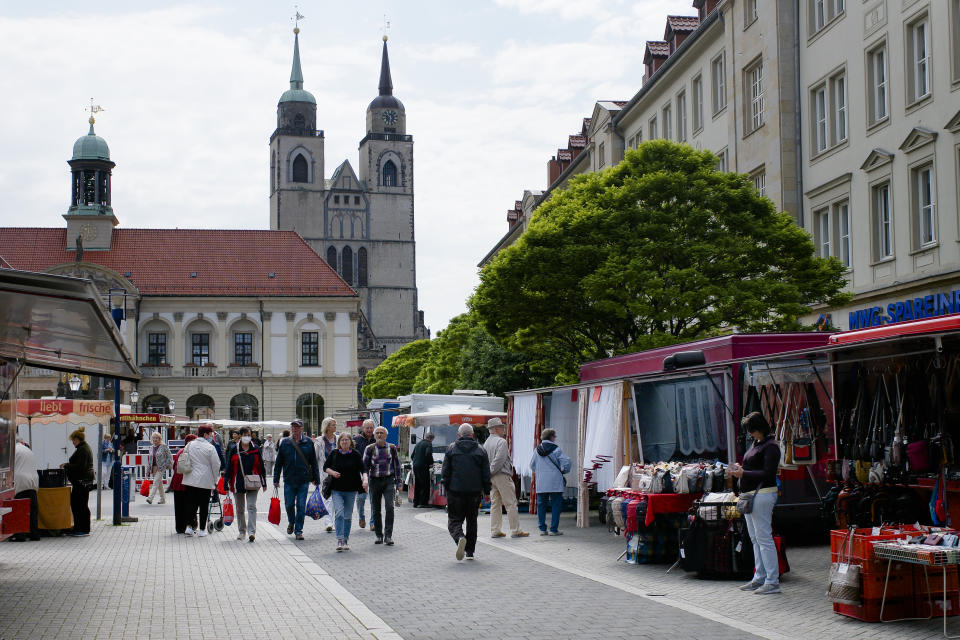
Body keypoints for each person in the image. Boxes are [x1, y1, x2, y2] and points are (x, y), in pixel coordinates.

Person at [729, 412, 782, 595]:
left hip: (762, 494)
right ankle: (760, 576)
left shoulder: (771, 447)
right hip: (752, 495)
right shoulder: (757, 444)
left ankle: (772, 580)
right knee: (755, 538)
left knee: (763, 537)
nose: (750, 434)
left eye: (751, 430)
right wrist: (741, 470)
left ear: (758, 429)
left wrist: (744, 474)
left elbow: (768, 474)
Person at [441, 423, 491, 561]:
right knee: (472, 521)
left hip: (455, 491)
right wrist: (487, 491)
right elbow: (486, 473)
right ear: (472, 434)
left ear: (459, 435)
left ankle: (460, 537)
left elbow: (445, 471)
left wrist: (445, 487)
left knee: (454, 520)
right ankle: (470, 551)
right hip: (474, 492)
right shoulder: (481, 450)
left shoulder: (451, 449)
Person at [273, 419, 320, 541]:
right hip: (289, 479)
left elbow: (313, 462)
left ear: (302, 428)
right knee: (289, 505)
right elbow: (278, 463)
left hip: (303, 479)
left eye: (297, 427)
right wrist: (276, 479)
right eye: (293, 427)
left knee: (300, 505)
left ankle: (298, 530)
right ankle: (291, 522)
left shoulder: (308, 442)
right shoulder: (285, 443)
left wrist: (316, 478)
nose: (294, 429)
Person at [483, 418, 529, 538]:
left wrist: (488, 473)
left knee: (495, 504)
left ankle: (495, 530)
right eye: (502, 428)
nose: (504, 430)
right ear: (496, 429)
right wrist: (492, 471)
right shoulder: (501, 442)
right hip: (502, 475)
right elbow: (500, 459)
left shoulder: (486, 443)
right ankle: (515, 530)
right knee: (511, 503)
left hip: (491, 477)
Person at [324, 432, 367, 551]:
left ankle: (346, 539)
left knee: (347, 516)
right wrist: (332, 473)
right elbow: (325, 467)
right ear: (339, 443)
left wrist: (365, 480)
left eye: (347, 440)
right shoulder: (334, 453)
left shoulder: (355, 454)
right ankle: (339, 539)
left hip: (351, 489)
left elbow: (363, 469)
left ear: (350, 442)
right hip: (336, 489)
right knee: (339, 513)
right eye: (342, 440)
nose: (344, 442)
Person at [225, 427, 266, 542]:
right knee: (240, 509)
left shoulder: (256, 448)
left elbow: (261, 466)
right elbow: (229, 467)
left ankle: (251, 532)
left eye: (249, 434)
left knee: (251, 506)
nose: (248, 436)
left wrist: (264, 483)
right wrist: (226, 481)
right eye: (246, 434)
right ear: (241, 435)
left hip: (253, 482)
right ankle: (241, 531)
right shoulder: (234, 449)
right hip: (237, 482)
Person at [362, 426, 401, 546]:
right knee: (376, 509)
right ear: (374, 436)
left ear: (386, 435)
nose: (379, 435)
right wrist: (365, 481)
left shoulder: (392, 448)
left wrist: (399, 483)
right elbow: (364, 467)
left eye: (382, 433)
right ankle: (379, 535)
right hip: (374, 481)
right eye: (377, 433)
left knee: (390, 507)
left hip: (388, 480)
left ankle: (388, 536)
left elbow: (397, 466)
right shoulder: (370, 448)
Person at [180, 425, 222, 537]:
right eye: (210, 434)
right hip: (205, 480)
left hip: (190, 479)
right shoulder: (210, 448)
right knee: (204, 505)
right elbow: (216, 464)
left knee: (191, 504)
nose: (211, 436)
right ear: (205, 434)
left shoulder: (190, 445)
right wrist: (215, 479)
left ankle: (189, 527)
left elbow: (185, 457)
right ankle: (202, 529)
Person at [529, 428, 572, 536]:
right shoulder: (556, 449)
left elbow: (532, 465)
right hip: (555, 481)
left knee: (541, 505)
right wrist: (564, 470)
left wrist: (540, 472)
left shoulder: (537, 450)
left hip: (541, 481)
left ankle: (542, 529)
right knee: (556, 504)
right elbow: (567, 461)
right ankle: (553, 529)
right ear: (552, 437)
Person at [60, 428, 95, 537]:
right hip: (84, 481)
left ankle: (81, 528)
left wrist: (66, 465)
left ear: (77, 439)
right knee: (81, 504)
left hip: (81, 482)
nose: (73, 442)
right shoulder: (84, 448)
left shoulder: (82, 449)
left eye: (73, 440)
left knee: (79, 505)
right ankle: (81, 527)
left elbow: (80, 467)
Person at [314, 417, 338, 533]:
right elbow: (315, 459)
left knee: (336, 499)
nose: (335, 427)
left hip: (338, 473)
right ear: (327, 427)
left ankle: (331, 521)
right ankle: (329, 522)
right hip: (324, 474)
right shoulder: (319, 441)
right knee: (328, 498)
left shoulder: (339, 439)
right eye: (333, 425)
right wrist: (314, 476)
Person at [12, 441, 40, 541]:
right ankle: (35, 534)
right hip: (33, 481)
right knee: (32, 510)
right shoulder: (28, 450)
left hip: (20, 481)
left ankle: (20, 535)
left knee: (19, 510)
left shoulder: (13, 450)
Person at [170, 434, 197, 534]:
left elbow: (174, 467)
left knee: (179, 506)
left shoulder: (180, 451)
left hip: (177, 482)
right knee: (190, 504)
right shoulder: (193, 452)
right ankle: (191, 525)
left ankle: (180, 528)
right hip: (188, 482)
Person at [353, 420, 376, 530]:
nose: (369, 430)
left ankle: (373, 522)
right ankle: (361, 516)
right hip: (360, 474)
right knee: (361, 498)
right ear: (363, 428)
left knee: (374, 498)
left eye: (371, 427)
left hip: (374, 473)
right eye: (367, 428)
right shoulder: (356, 440)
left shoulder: (376, 439)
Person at [145, 432, 172, 504]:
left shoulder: (163, 446)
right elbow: (149, 460)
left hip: (161, 467)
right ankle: (163, 499)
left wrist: (165, 465)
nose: (155, 439)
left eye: (156, 438)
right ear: (151, 439)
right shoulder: (151, 447)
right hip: (153, 467)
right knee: (159, 483)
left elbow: (169, 457)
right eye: (154, 438)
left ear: (159, 439)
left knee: (155, 482)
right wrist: (147, 471)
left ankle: (150, 498)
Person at [411, 432, 435, 508]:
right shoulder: (428, 444)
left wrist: (416, 461)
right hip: (423, 466)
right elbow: (428, 454)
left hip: (415, 466)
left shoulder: (418, 444)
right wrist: (430, 463)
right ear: (431, 439)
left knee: (417, 484)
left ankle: (416, 502)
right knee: (425, 484)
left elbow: (412, 456)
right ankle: (423, 503)